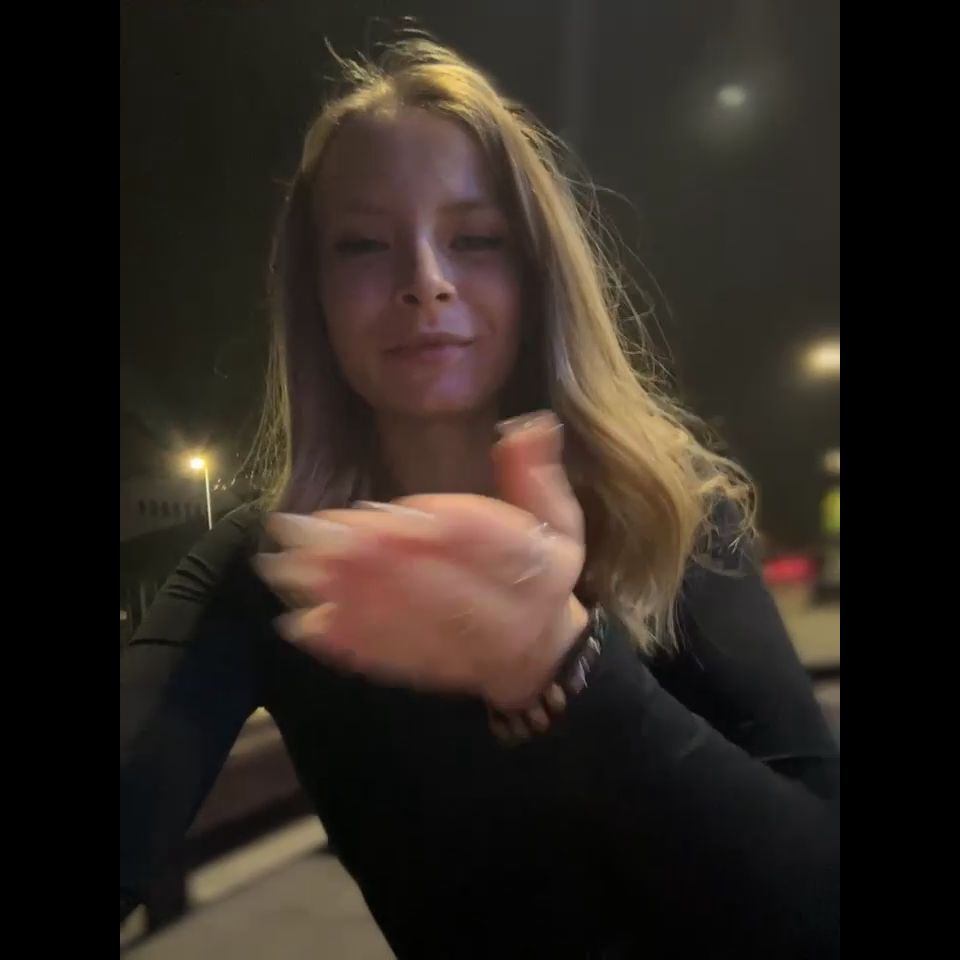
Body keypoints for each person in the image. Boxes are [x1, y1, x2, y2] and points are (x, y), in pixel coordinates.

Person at [120, 37, 840, 958]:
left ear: (538, 271)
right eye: (364, 244)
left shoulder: (674, 511)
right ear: (315, 295)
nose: (426, 280)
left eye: (476, 238)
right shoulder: (270, 568)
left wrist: (563, 664)